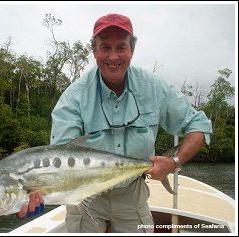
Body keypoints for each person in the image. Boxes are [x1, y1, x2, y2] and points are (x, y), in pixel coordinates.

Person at [17, 13, 212, 233]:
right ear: (94, 51)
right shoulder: (74, 98)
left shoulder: (154, 88)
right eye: (104, 48)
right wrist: (32, 192)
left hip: (133, 193)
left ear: (132, 50)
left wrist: (174, 161)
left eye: (121, 47)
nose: (113, 57)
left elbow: (200, 125)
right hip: (85, 197)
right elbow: (58, 159)